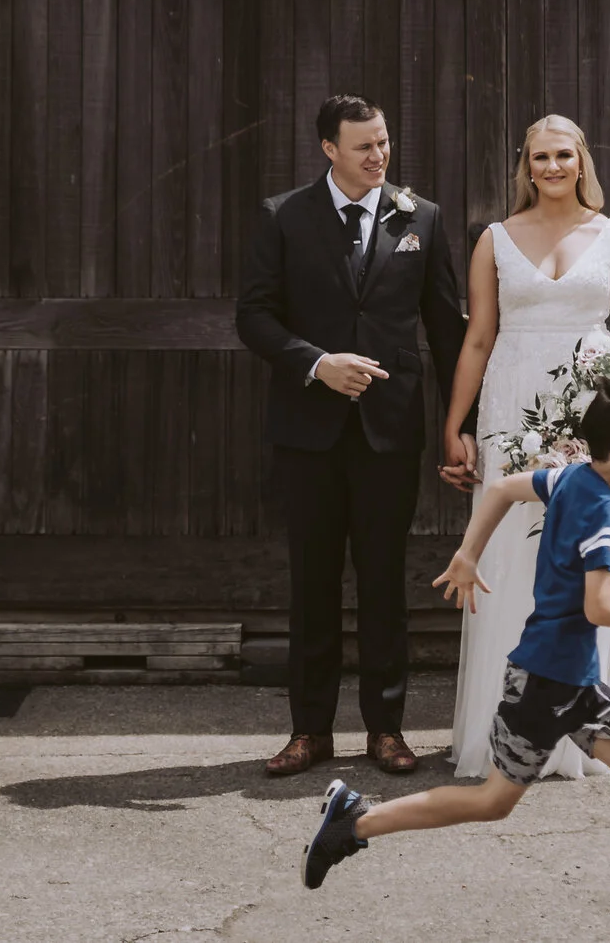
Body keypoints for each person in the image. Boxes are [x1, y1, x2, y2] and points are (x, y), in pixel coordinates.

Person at [300, 382, 610, 942]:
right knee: (493, 802)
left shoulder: (573, 477)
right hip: (547, 683)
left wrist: (468, 554)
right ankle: (354, 822)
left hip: (572, 680)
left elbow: (500, 488)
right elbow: (600, 605)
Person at [438, 115, 610, 778]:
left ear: (582, 161)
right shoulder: (495, 240)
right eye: (539, 157)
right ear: (524, 166)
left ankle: (603, 719)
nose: (551, 167)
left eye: (562, 155)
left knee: (591, 543)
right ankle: (515, 723)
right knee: (516, 542)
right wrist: (455, 423)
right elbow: (478, 337)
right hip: (512, 401)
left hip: (593, 405)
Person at [235, 94, 468, 779]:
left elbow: (446, 329)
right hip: (308, 432)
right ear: (329, 149)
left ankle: (386, 730)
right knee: (312, 583)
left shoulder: (421, 218)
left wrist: (464, 425)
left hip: (389, 431)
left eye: (384, 142)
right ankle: (309, 731)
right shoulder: (284, 216)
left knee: (384, 583)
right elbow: (254, 315)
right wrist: (317, 363)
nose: (378, 155)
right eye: (363, 145)